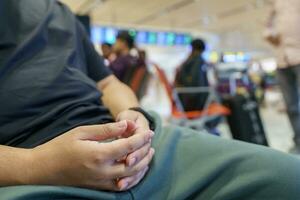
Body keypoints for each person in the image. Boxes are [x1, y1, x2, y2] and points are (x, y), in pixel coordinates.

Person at [0, 1, 300, 199]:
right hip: (28, 169)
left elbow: (108, 82)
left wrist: (133, 111)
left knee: (290, 179)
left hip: (141, 144)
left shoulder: (57, 11)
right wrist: (34, 165)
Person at [264, 0, 300, 152]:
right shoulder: (274, 5)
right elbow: (266, 29)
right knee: (291, 106)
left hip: (298, 55)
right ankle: (298, 141)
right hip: (282, 60)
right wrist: (269, 35)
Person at [174, 38, 209, 111]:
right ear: (202, 50)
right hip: (193, 103)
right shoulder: (198, 61)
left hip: (183, 100)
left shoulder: (188, 61)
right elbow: (194, 83)